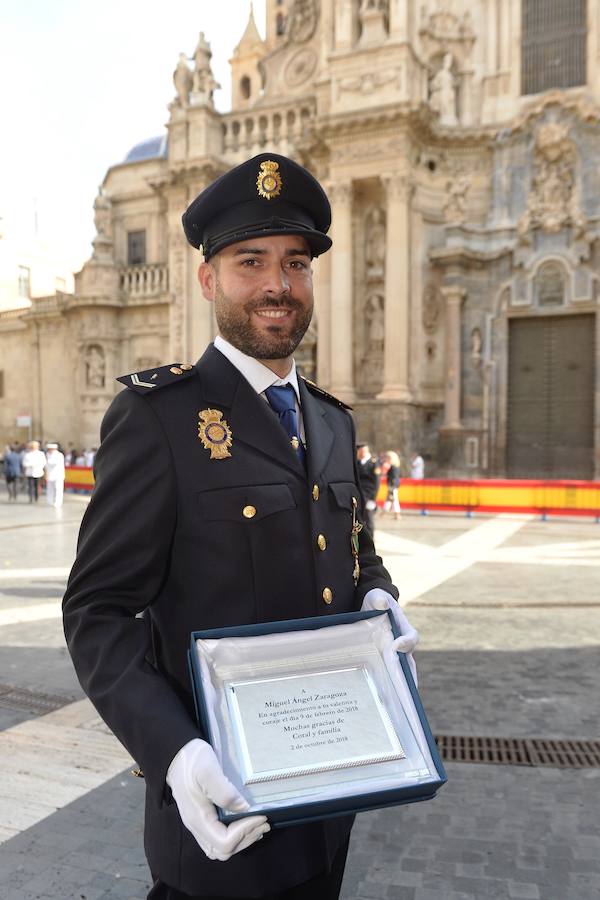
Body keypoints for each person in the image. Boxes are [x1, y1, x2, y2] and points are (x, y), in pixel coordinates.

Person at [62, 153, 418, 900]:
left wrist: (379, 598)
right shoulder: (159, 419)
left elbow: (360, 553)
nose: (276, 285)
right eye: (249, 261)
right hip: (221, 824)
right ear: (208, 279)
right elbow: (97, 613)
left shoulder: (330, 419)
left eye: (295, 263)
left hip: (328, 806)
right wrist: (175, 753)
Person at [356, 443, 380, 534]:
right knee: (360, 517)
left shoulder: (373, 462)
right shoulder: (358, 462)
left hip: (369, 494)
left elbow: (377, 481)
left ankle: (371, 537)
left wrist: (373, 498)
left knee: (369, 517)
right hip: (359, 493)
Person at [45, 443, 65, 508]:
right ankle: (49, 501)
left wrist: (46, 461)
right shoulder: (48, 455)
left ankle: (58, 502)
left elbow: (53, 463)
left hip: (58, 475)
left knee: (58, 489)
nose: (49, 450)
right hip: (50, 475)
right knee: (50, 489)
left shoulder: (59, 455)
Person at [383, 451, 402, 520]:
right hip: (392, 484)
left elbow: (394, 477)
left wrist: (391, 486)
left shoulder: (394, 467)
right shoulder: (393, 466)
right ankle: (384, 512)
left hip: (393, 485)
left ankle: (397, 514)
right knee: (390, 499)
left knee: (394, 499)